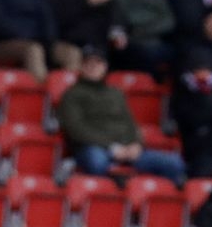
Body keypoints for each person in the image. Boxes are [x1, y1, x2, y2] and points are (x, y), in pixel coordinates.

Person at [56, 47, 187, 182]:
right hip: (93, 147)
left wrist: (136, 145)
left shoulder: (115, 93)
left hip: (126, 149)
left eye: (98, 63)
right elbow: (76, 129)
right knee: (97, 161)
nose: (93, 67)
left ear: (105, 66)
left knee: (174, 163)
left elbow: (130, 123)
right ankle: (112, 189)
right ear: (81, 67)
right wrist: (112, 148)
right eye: (88, 63)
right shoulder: (72, 95)